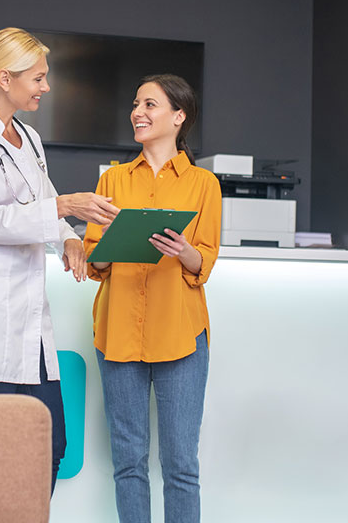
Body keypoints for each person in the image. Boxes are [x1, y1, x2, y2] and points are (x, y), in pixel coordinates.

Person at [0, 27, 120, 495]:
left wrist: (70, 241)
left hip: (28, 317)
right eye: (38, 78)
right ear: (5, 78)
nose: (45, 86)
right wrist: (62, 210)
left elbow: (47, 203)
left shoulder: (30, 139)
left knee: (50, 444)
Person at [84, 74, 221, 522]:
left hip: (181, 335)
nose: (137, 113)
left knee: (181, 465)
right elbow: (92, 259)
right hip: (119, 331)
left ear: (179, 117)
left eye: (150, 105)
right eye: (136, 104)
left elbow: (206, 261)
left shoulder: (204, 184)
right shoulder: (112, 181)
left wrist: (185, 252)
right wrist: (105, 252)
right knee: (128, 464)